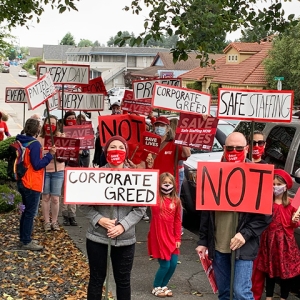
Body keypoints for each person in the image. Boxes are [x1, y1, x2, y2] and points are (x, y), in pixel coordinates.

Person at [196, 132, 272, 300]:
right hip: (218, 245)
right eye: (230, 148)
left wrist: (245, 234)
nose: (234, 151)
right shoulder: (213, 173)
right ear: (224, 149)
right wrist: (203, 241)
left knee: (241, 293)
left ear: (246, 149)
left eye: (239, 148)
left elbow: (265, 216)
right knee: (224, 293)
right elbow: (206, 211)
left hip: (243, 246)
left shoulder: (257, 174)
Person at [80, 135, 146, 300]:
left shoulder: (136, 177)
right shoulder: (96, 175)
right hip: (97, 238)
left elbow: (141, 208)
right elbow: (83, 204)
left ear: (126, 152)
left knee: (123, 281)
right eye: (112, 147)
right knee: (96, 280)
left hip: (125, 239)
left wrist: (123, 225)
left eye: (121, 147)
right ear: (105, 151)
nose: (117, 150)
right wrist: (99, 219)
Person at [255, 169, 300, 300]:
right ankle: (269, 296)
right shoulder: (267, 203)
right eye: (273, 184)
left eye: (279, 185)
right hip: (269, 243)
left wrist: (295, 221)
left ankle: (283, 297)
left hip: (286, 245)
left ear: (286, 186)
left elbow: (294, 223)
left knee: (286, 272)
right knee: (270, 271)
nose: (276, 187)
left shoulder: (291, 205)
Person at [17, 118, 56, 250]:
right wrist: (49, 155)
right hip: (32, 183)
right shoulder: (35, 144)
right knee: (30, 213)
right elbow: (37, 165)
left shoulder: (21, 140)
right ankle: (27, 241)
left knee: (26, 211)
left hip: (22, 180)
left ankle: (23, 238)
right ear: (37, 129)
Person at [148, 172, 182, 297]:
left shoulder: (176, 201)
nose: (167, 185)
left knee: (173, 264)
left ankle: (164, 284)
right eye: (164, 183)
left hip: (172, 237)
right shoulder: (155, 198)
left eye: (169, 183)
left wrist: (178, 237)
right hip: (159, 236)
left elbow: (178, 220)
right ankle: (156, 286)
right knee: (165, 264)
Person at [145, 116, 191, 191]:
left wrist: (181, 137)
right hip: (152, 183)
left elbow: (187, 154)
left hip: (168, 185)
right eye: (157, 125)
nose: (159, 127)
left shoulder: (174, 145)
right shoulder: (148, 143)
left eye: (162, 125)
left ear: (168, 129)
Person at [37, 115, 65, 232]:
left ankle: (54, 221)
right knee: (45, 197)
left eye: (53, 123)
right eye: (49, 123)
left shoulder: (61, 137)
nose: (51, 126)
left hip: (58, 170)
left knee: (55, 198)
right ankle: (47, 222)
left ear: (57, 125)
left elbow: (68, 152)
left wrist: (64, 142)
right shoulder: (39, 139)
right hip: (44, 171)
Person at [61, 110, 78, 226]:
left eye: (73, 118)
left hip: (75, 164)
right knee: (64, 191)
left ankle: (72, 215)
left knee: (73, 191)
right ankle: (65, 215)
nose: (72, 120)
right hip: (64, 163)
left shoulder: (79, 132)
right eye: (69, 118)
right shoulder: (61, 131)